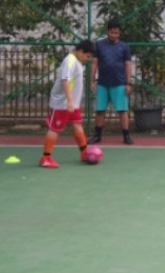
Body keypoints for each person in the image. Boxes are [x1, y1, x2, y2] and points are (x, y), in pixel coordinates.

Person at [40, 40, 95, 169]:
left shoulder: (78, 62)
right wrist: (69, 101)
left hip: (72, 103)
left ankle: (84, 152)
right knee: (55, 128)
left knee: (77, 124)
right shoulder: (69, 60)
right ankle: (45, 158)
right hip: (63, 103)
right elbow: (65, 80)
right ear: (81, 51)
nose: (88, 59)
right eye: (87, 56)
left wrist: (73, 102)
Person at [90, 19, 134, 145]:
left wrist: (128, 83)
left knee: (122, 110)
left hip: (119, 83)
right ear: (107, 32)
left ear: (119, 33)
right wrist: (92, 81)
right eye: (112, 32)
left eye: (117, 33)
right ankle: (97, 135)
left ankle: (126, 135)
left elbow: (128, 65)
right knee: (100, 110)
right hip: (102, 83)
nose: (114, 35)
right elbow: (95, 63)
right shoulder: (99, 45)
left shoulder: (124, 46)